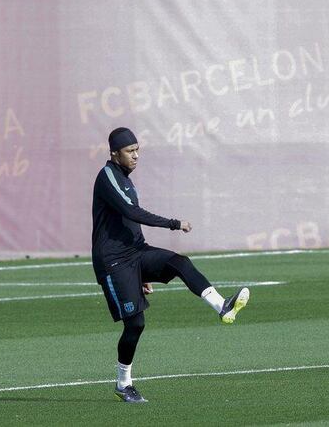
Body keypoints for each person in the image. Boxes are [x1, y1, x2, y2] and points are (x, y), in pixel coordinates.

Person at [91, 127, 249, 403]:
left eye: (138, 149)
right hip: (114, 262)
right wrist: (174, 224)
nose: (136, 155)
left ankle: (221, 305)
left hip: (136, 254)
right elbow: (131, 212)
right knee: (135, 324)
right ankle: (123, 384)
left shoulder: (126, 180)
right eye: (130, 151)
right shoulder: (107, 177)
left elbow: (127, 224)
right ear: (114, 154)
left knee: (179, 262)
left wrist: (143, 270)